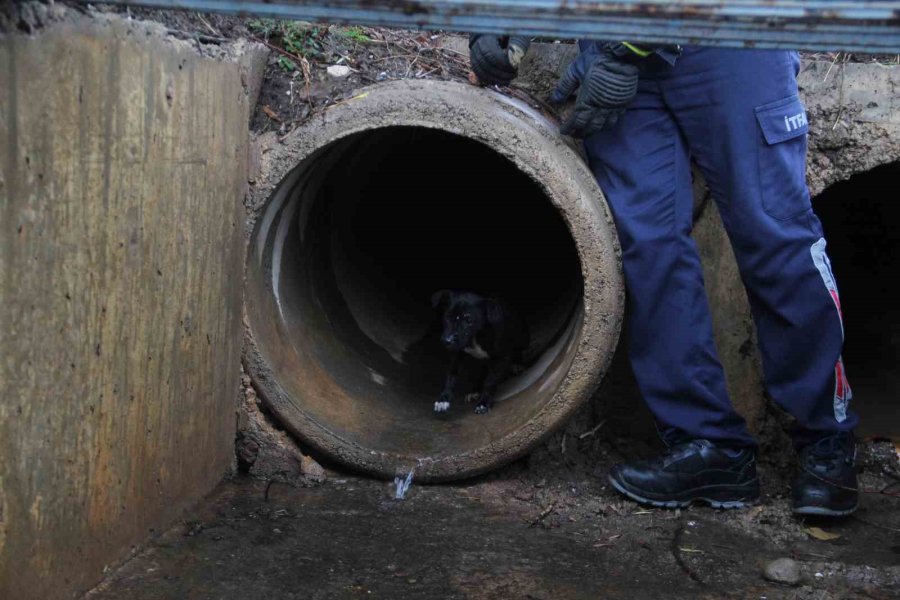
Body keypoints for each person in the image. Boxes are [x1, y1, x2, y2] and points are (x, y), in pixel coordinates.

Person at [468, 35, 858, 516]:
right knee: (647, 248)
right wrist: (498, 20)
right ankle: (709, 446)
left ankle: (827, 442)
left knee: (774, 234)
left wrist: (624, 49)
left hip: (727, 36)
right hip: (617, 50)